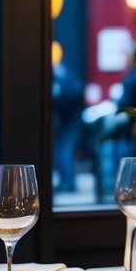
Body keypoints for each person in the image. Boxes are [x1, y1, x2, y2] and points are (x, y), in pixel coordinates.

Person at [51, 60, 84, 193]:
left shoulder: (62, 81)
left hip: (68, 122)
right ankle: (67, 182)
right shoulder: (69, 78)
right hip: (70, 122)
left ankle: (68, 183)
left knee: (65, 151)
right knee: (64, 151)